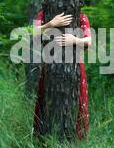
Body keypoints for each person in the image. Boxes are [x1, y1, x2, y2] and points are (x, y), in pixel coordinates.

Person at [33, 11, 92, 140]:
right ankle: (44, 140)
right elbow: (32, 34)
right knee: (46, 102)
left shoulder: (80, 16)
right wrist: (50, 24)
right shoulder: (43, 14)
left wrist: (74, 40)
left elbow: (88, 41)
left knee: (78, 103)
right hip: (50, 68)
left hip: (75, 68)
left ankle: (76, 141)